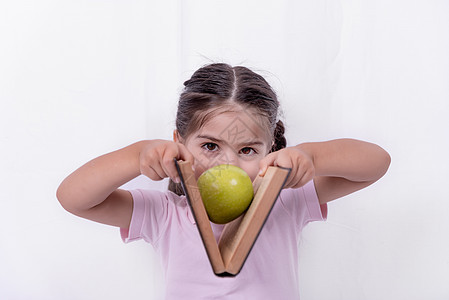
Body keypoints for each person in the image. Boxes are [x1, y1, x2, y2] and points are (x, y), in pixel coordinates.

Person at [57, 63, 391, 299]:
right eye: (210, 146)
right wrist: (136, 156)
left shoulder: (286, 200)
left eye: (247, 149)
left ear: (270, 149)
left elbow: (375, 164)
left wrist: (313, 158)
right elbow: (73, 198)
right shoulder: (164, 212)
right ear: (179, 142)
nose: (227, 163)